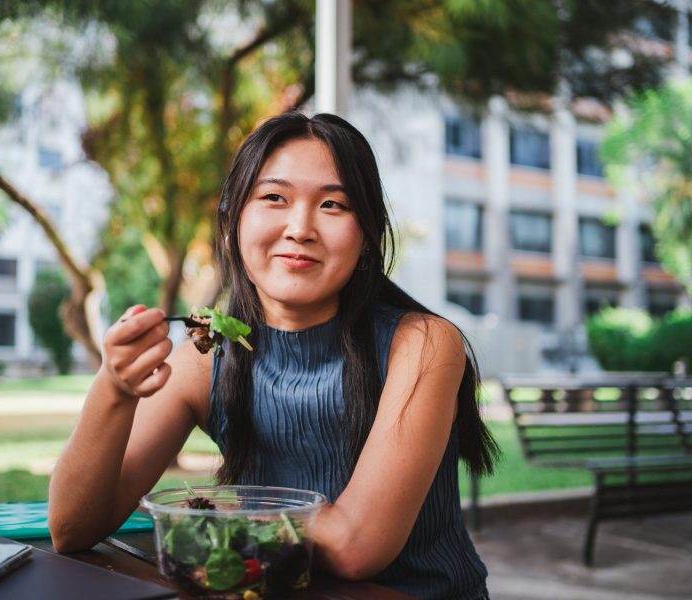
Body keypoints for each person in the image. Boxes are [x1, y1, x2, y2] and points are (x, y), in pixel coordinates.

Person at [48, 111, 497, 600]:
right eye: (274, 198)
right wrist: (114, 389)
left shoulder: (424, 344)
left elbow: (354, 548)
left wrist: (218, 506)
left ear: (367, 234)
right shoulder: (206, 358)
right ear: (233, 221)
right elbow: (72, 528)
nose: (300, 228)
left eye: (333, 204)